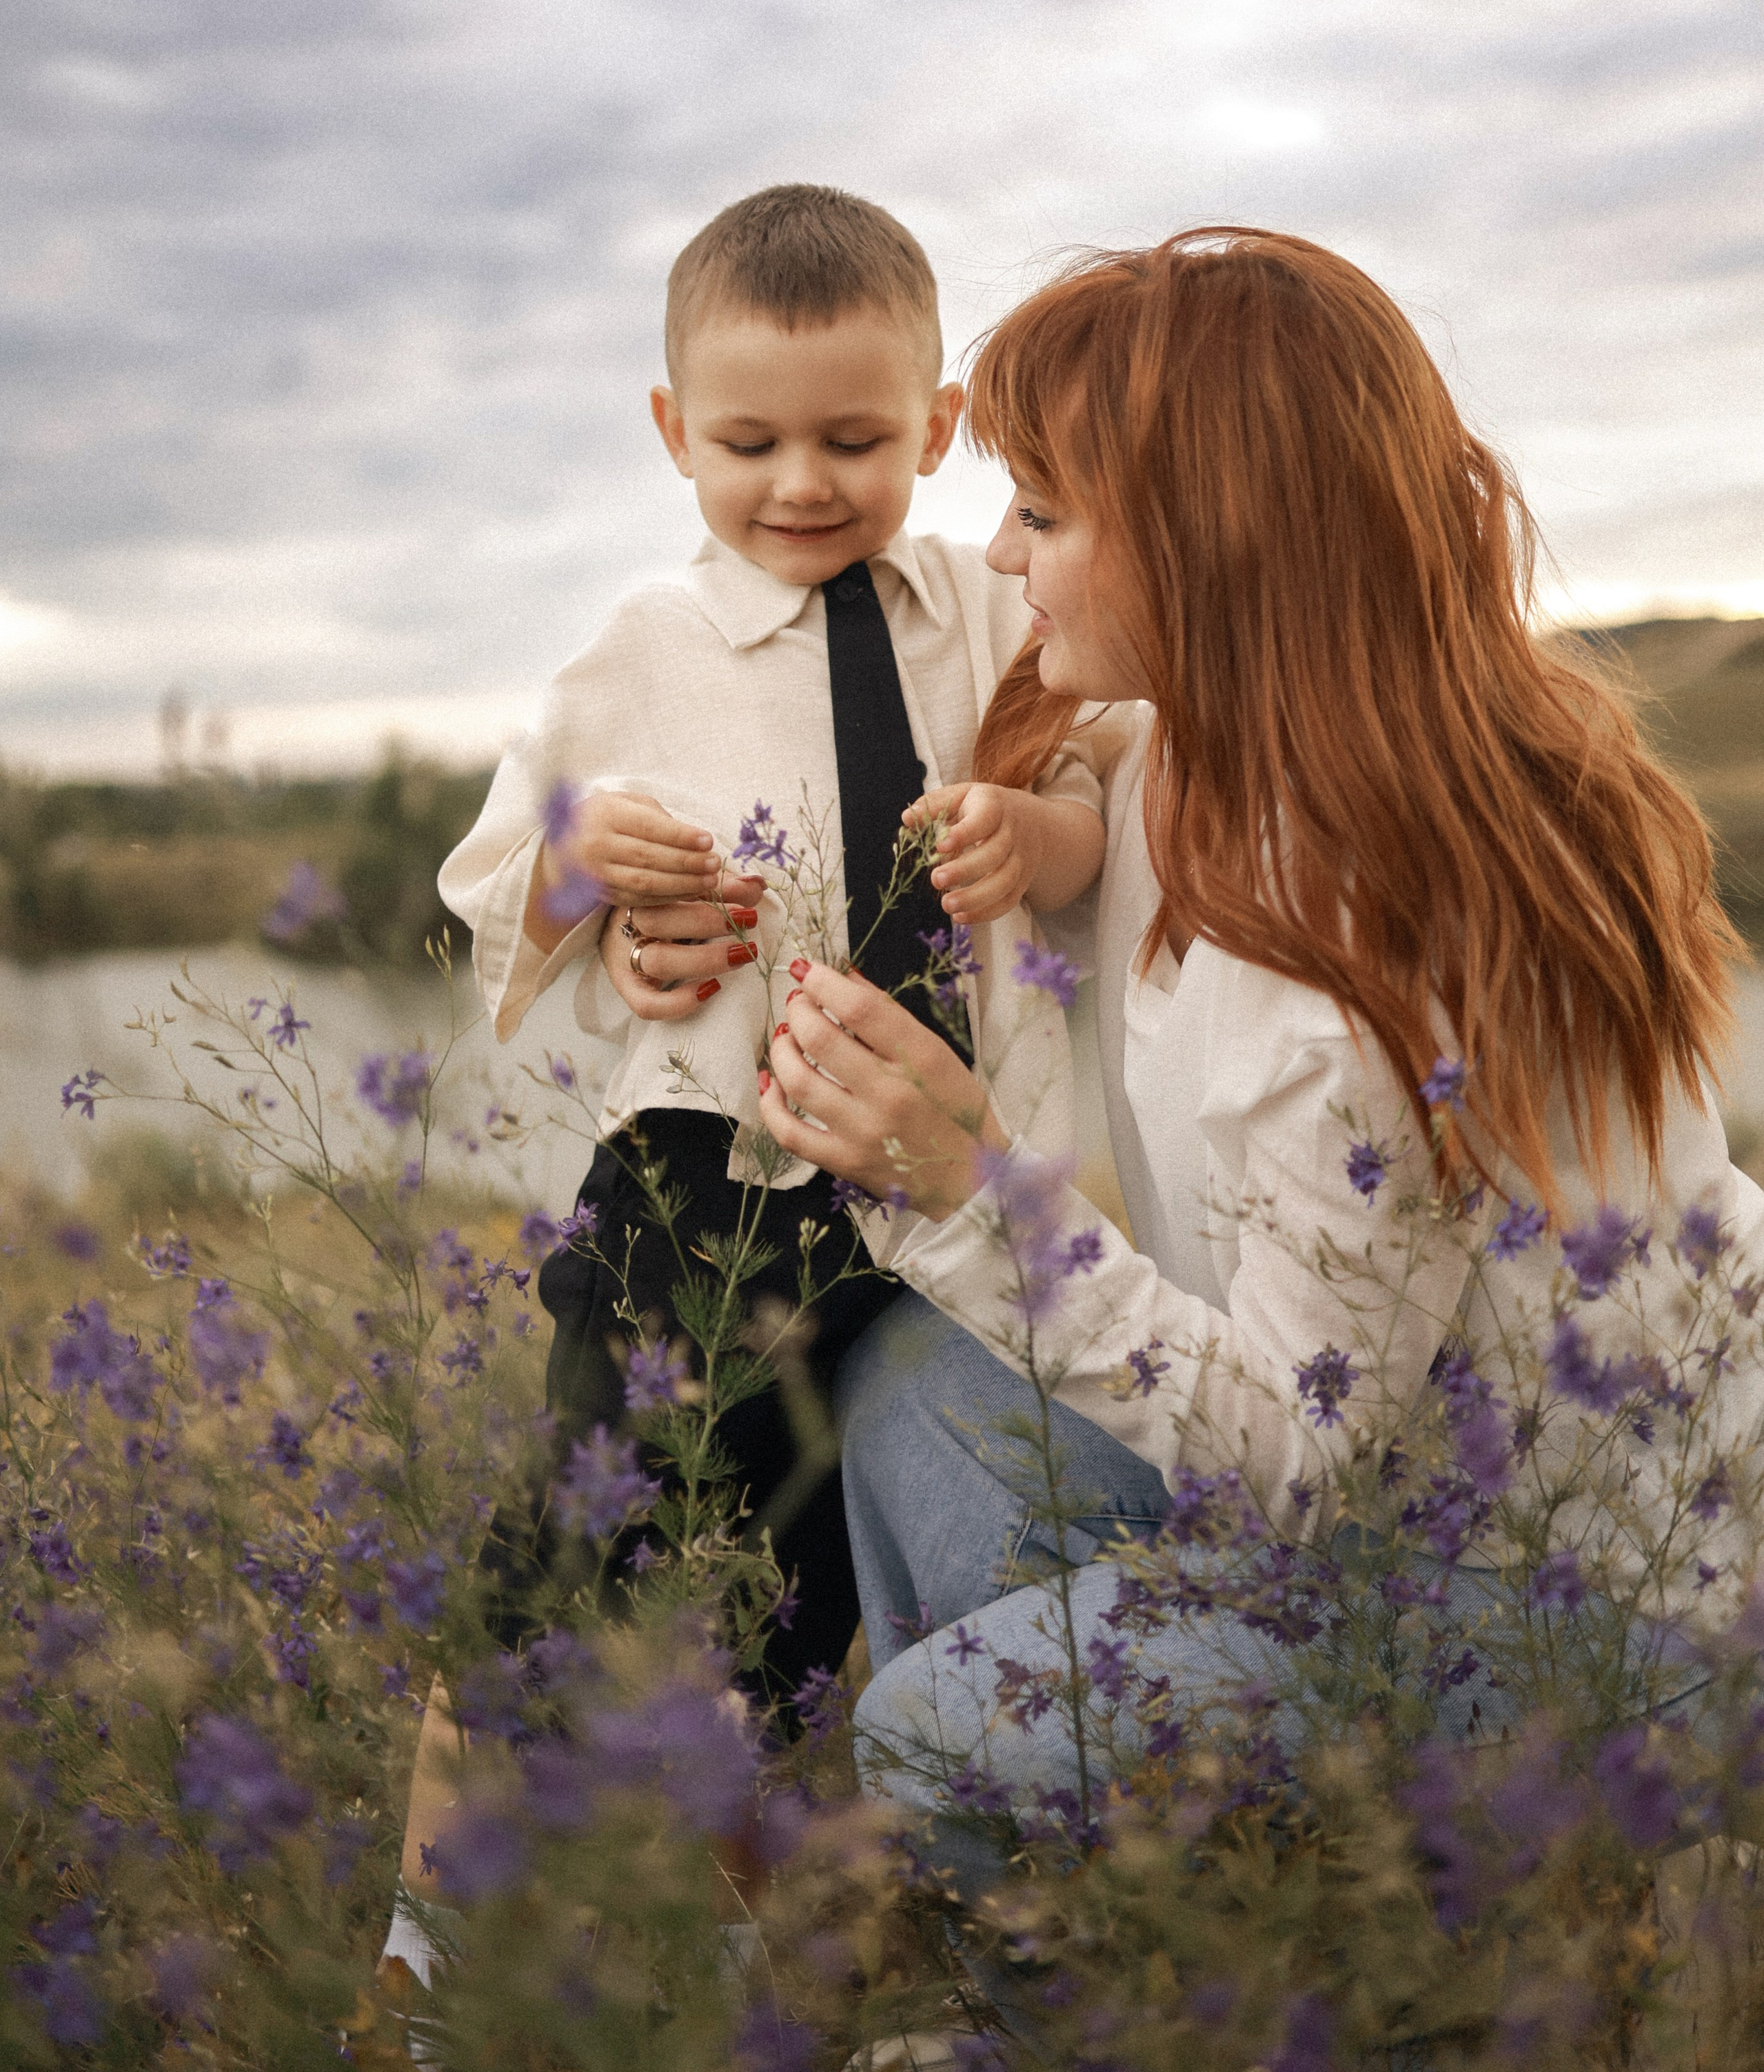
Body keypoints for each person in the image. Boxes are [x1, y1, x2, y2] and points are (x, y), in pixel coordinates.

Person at [731, 225, 1763, 1857]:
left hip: (1596, 1595)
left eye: (1042, 513)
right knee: (913, 1382)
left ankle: (1204, 1916)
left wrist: (968, 1188)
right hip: (1389, 1493)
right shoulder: (1191, 748)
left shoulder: (1359, 926)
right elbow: (1065, 780)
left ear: (1204, 543)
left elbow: (1302, 1458)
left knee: (941, 1727)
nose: (996, 552)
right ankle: (1149, 1875)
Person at [383, 185, 1116, 2000]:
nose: (800, 483)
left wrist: (1033, 837)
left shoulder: (987, 609)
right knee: (579, 1541)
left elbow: (1091, 784)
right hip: (701, 1181)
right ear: (671, 433)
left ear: (937, 426)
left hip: (923, 1188)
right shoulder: (647, 643)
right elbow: (493, 883)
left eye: (854, 441)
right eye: (748, 443)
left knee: (778, 1599)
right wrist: (586, 870)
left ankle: (721, 1944)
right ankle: (429, 1950)